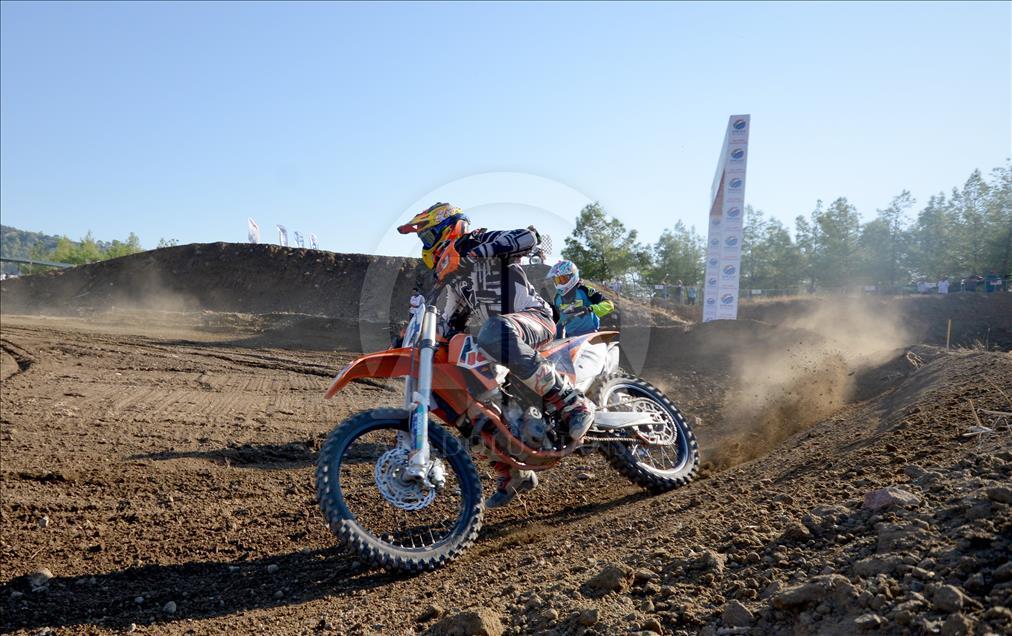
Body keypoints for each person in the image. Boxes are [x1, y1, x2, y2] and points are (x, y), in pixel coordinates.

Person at [397, 202, 595, 508]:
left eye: (427, 237)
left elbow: (529, 238)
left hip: (534, 319)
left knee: (492, 330)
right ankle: (511, 468)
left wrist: (476, 253)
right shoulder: (455, 282)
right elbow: (447, 324)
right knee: (457, 389)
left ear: (449, 228)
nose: (426, 247)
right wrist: (408, 339)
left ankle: (571, 401)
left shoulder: (479, 240)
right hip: (503, 342)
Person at [545, 260, 614, 338]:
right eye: (557, 280)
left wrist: (591, 309)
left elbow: (609, 304)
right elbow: (559, 320)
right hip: (570, 337)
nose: (560, 283)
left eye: (562, 279)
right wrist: (557, 334)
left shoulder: (585, 290)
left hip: (590, 335)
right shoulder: (557, 298)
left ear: (572, 275)